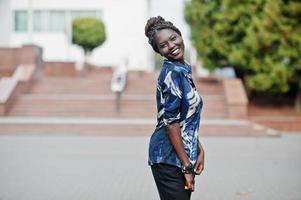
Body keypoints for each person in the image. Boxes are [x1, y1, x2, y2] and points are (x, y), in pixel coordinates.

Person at [144, 16, 205, 200]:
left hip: (180, 154)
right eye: (163, 45)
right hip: (168, 157)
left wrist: (198, 147)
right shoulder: (172, 73)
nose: (170, 46)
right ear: (160, 52)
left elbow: (185, 118)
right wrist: (186, 166)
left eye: (173, 38)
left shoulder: (183, 69)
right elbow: (171, 123)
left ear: (180, 35)